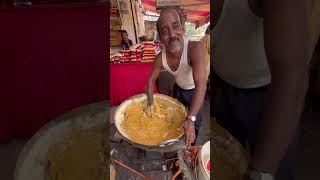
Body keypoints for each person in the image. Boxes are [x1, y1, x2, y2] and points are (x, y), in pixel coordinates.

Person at [212, 0, 320, 180]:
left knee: (273, 169)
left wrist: (261, 173)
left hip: (273, 98)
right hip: (222, 85)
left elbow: (291, 77)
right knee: (224, 161)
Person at [146, 7, 207, 147]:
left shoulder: (195, 49)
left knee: (193, 125)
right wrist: (150, 104)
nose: (172, 34)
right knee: (176, 122)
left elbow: (201, 85)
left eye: (175, 26)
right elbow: (150, 82)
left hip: (195, 93)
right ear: (160, 37)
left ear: (183, 28)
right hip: (178, 89)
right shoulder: (159, 58)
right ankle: (174, 149)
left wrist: (191, 119)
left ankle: (190, 149)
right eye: (165, 31)